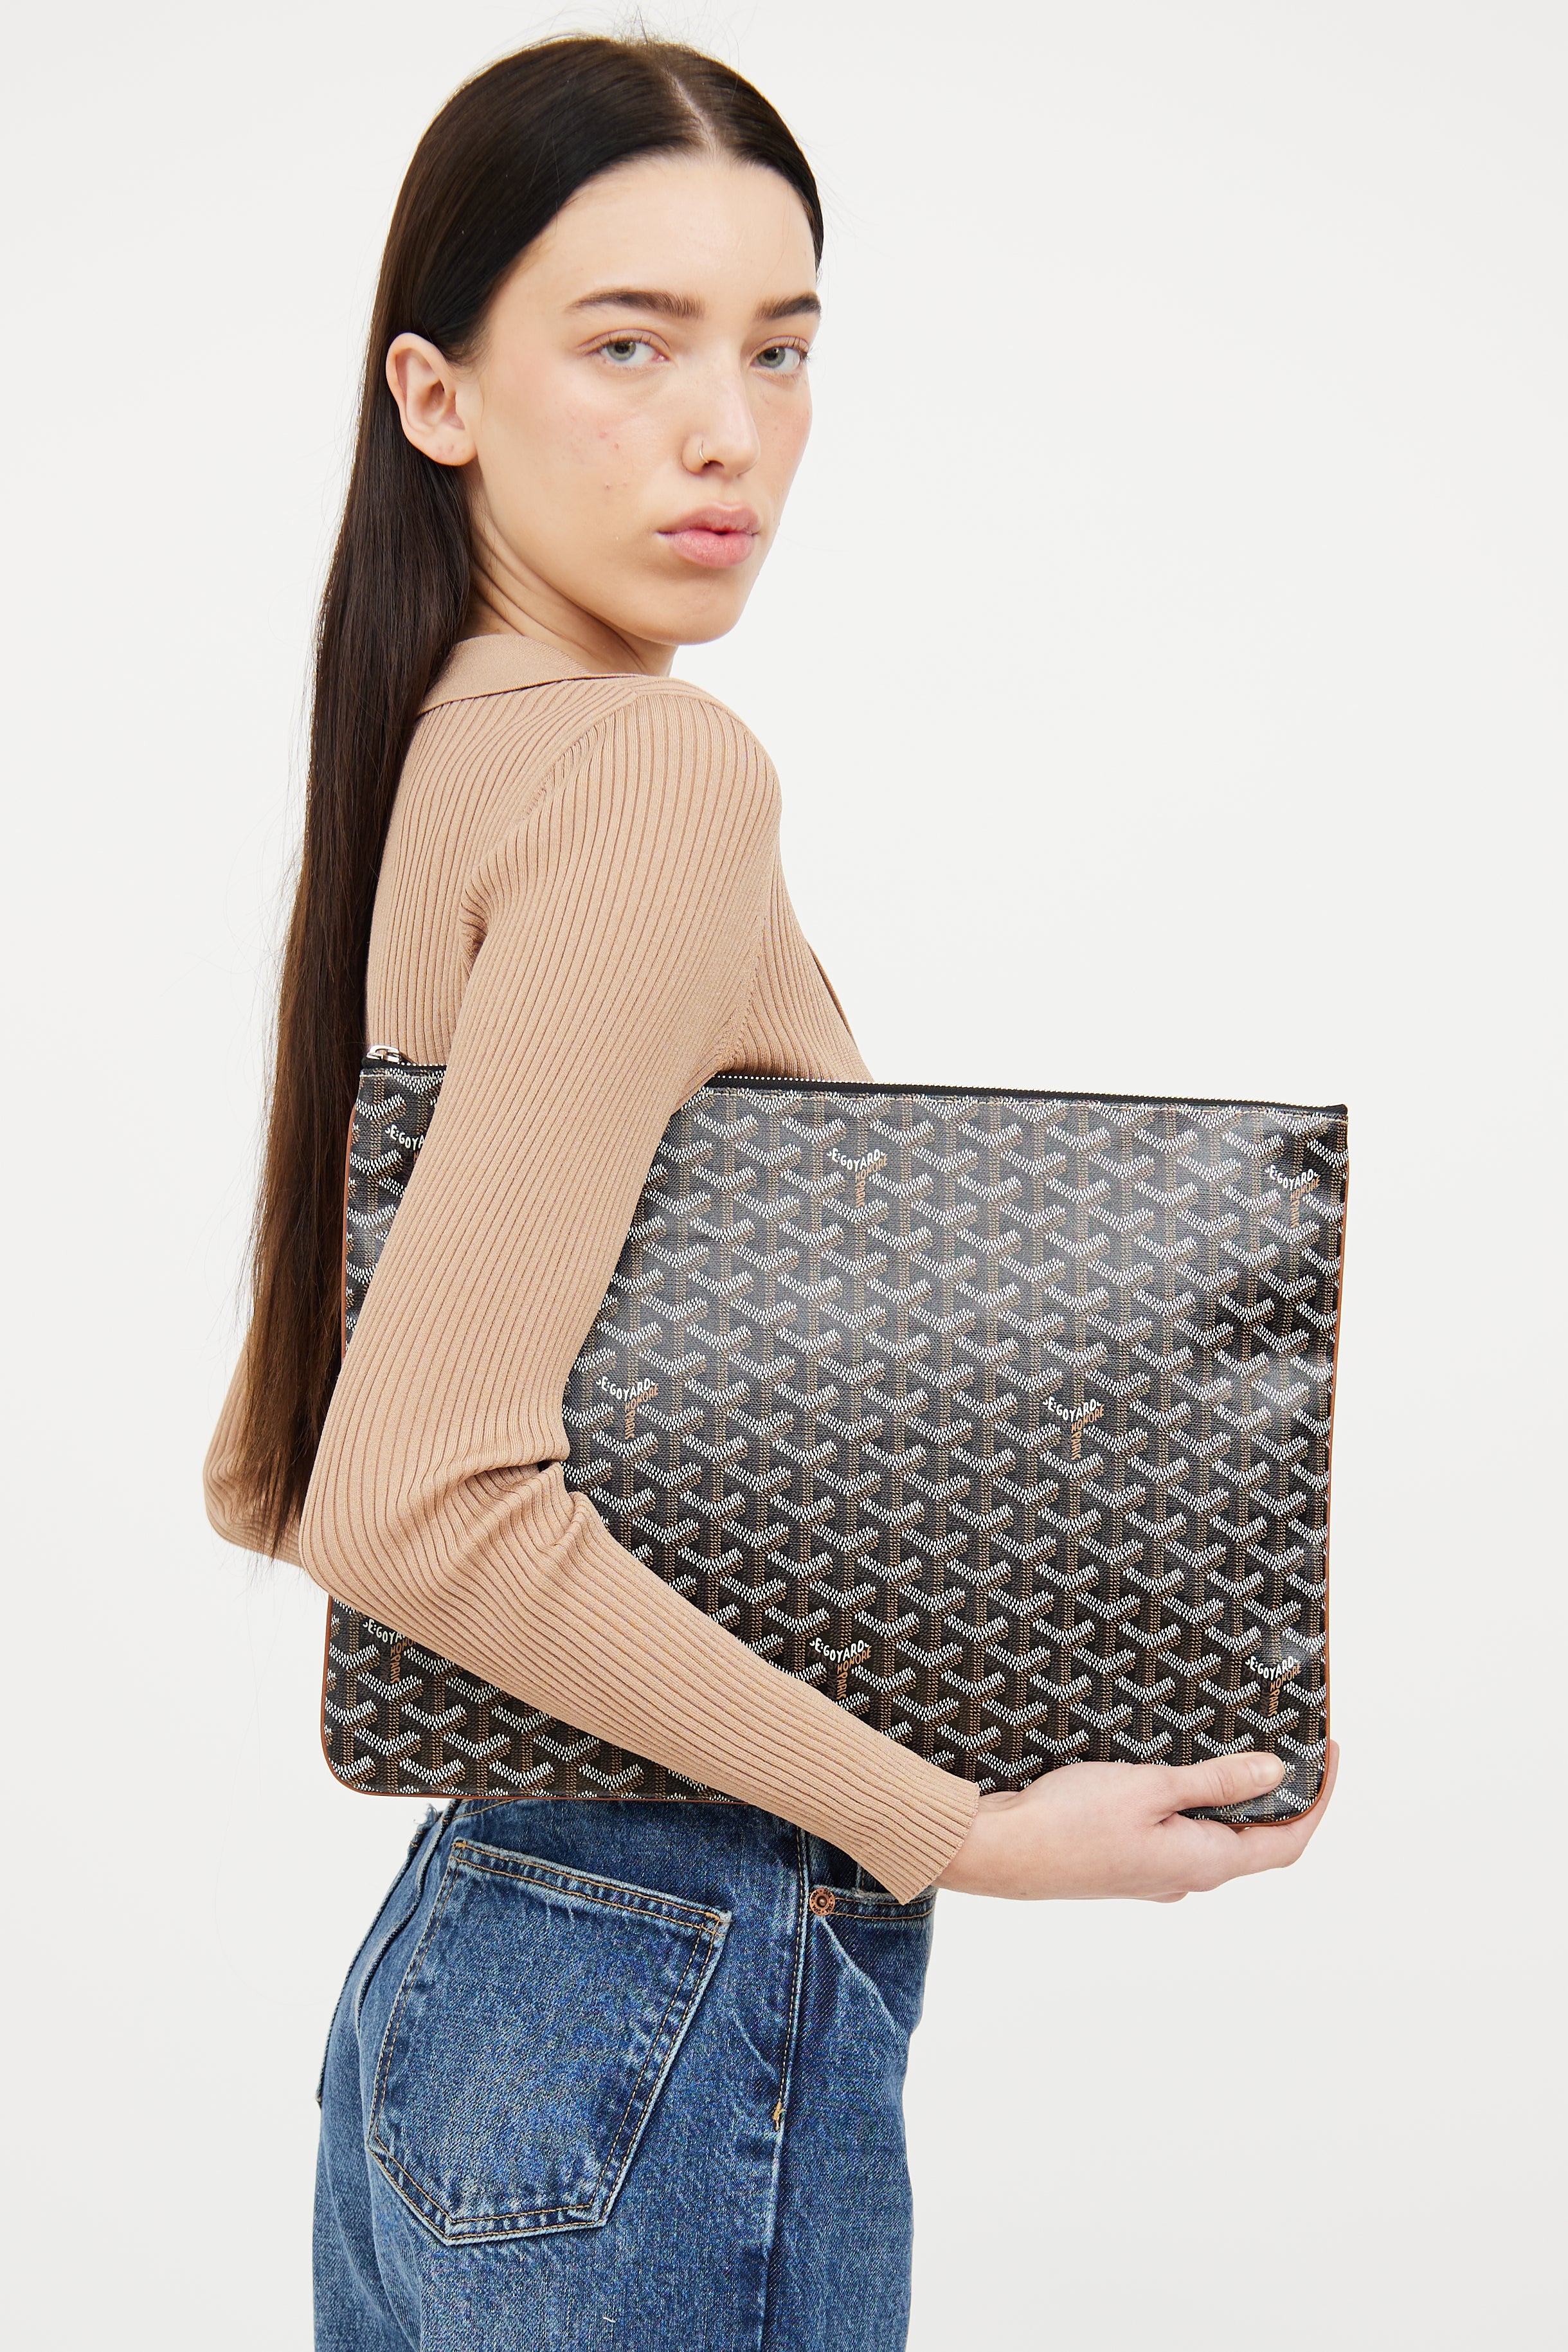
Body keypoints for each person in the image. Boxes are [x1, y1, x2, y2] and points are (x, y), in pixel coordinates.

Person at [204, 35, 1338, 2350]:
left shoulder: (436, 749)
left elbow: (293, 1465)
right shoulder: (650, 768)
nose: (730, 431)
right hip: (676, 1979)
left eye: (783, 349)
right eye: (631, 345)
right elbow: (408, 1497)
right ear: (435, 394)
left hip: (475, 1966)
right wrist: (967, 1824)